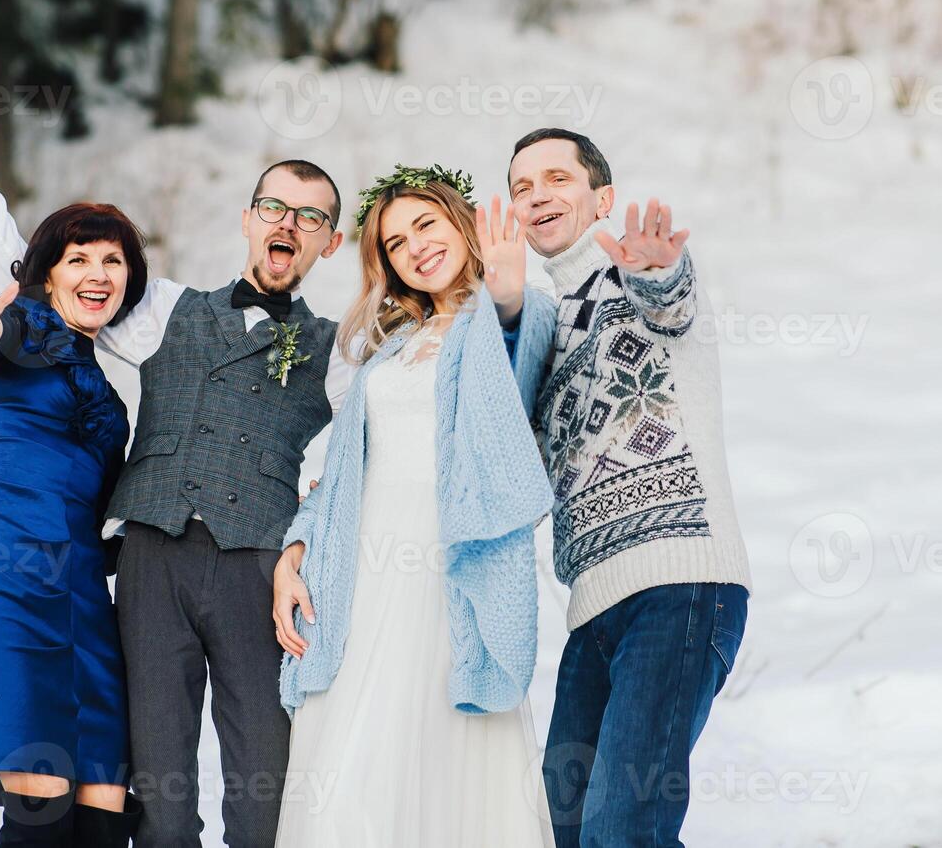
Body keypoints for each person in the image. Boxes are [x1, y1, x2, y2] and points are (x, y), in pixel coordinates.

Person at [0, 51, 353, 846]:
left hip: (254, 565)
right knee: (155, 790)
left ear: (332, 241)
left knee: (262, 783)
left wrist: (311, 529)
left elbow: (381, 433)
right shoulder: (165, 311)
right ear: (247, 219)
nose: (287, 223)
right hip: (147, 563)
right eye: (274, 206)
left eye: (309, 215)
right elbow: (32, 277)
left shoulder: (337, 350)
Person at [271, 165, 557, 847]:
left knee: (431, 761)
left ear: (460, 223)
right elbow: (343, 472)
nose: (416, 247)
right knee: (343, 771)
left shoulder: (506, 314)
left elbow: (514, 371)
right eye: (396, 243)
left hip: (444, 568)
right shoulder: (387, 350)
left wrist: (508, 291)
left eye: (425, 224)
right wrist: (295, 551)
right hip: (357, 576)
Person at [507, 127, 753, 848]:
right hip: (593, 611)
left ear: (601, 197)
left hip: (681, 587)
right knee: (569, 825)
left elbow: (668, 299)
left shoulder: (634, 279)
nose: (537, 195)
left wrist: (657, 273)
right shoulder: (539, 331)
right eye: (522, 187)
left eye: (556, 177)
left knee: (625, 830)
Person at [0, 201, 149, 847]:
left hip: (84, 596)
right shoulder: (21, 329)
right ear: (46, 276)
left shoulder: (108, 397)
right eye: (77, 258)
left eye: (113, 260)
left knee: (105, 802)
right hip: (4, 581)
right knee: (42, 804)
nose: (98, 272)